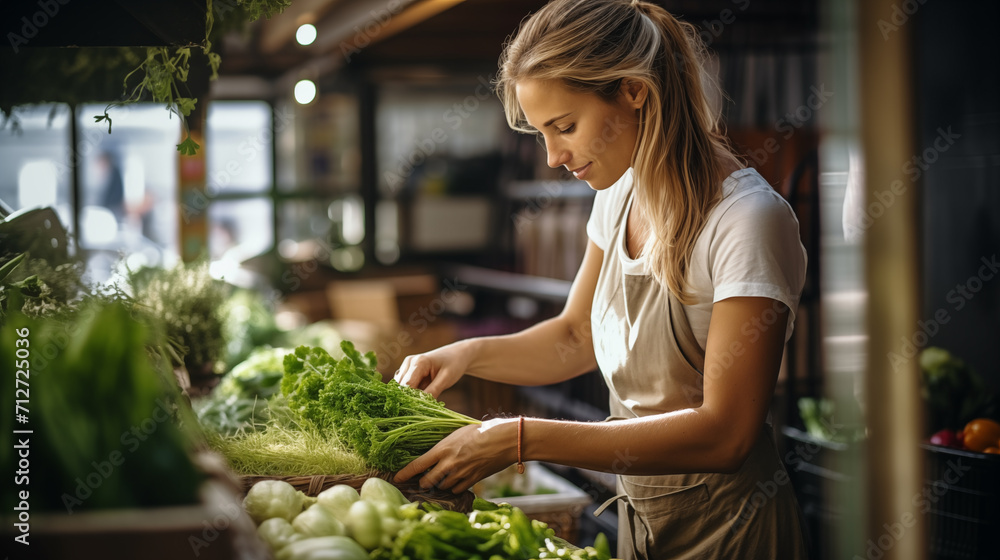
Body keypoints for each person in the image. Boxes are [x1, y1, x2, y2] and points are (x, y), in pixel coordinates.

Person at [393, 1, 810, 558]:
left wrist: (520, 439)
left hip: (733, 533)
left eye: (565, 127)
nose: (553, 156)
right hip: (641, 522)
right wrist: (466, 354)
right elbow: (574, 337)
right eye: (543, 132)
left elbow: (726, 433)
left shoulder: (747, 221)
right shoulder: (617, 197)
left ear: (634, 91)